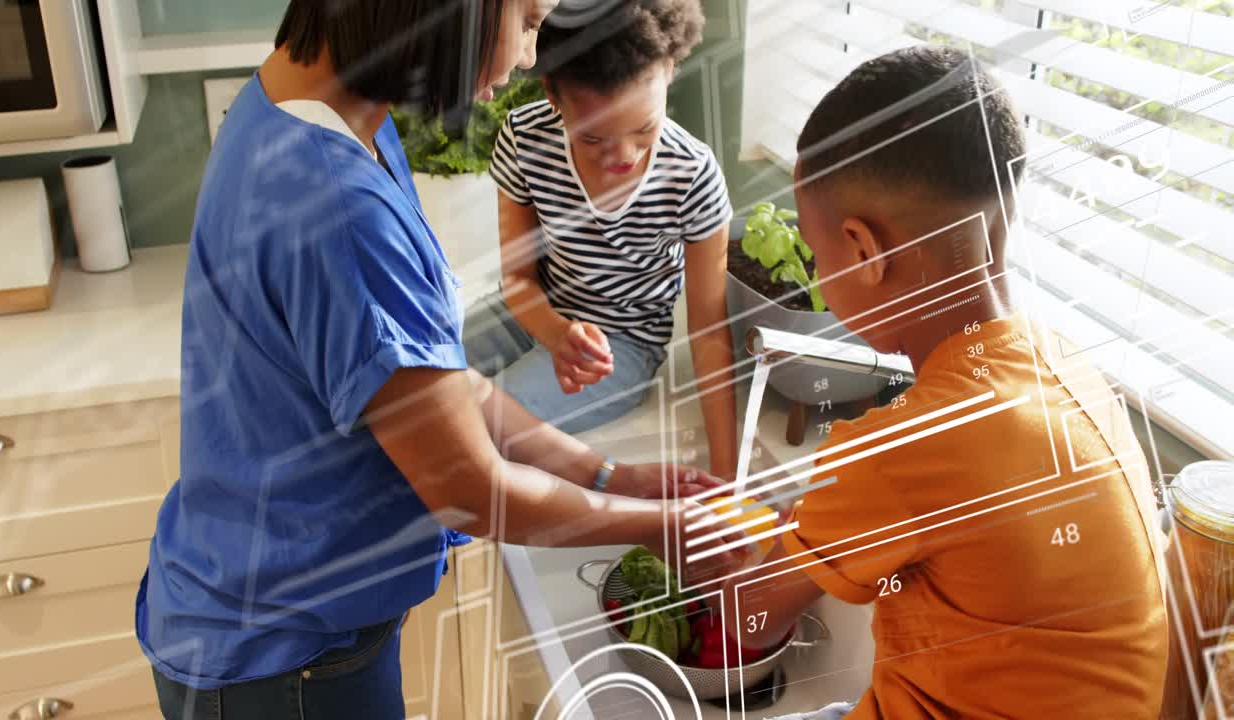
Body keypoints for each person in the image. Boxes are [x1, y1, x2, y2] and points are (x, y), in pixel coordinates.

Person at [136, 2, 750, 718]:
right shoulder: (339, 205)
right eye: (525, 17)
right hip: (283, 662)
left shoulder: (320, 114)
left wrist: (605, 473)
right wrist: (662, 526)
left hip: (265, 621)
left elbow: (440, 383)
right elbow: (472, 490)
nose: (530, 55)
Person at [719, 46, 1168, 719]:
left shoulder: (907, 445)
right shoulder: (1071, 370)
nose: (814, 274)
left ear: (864, 252)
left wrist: (725, 553)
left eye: (816, 254)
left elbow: (748, 624)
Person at [462, 0, 740, 479]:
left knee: (472, 424)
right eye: (593, 138)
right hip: (527, 311)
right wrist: (553, 332)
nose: (623, 156)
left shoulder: (692, 176)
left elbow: (711, 332)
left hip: (622, 347)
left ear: (669, 71)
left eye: (644, 129)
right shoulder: (524, 140)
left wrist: (728, 474)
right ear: (552, 92)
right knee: (416, 369)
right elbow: (518, 277)